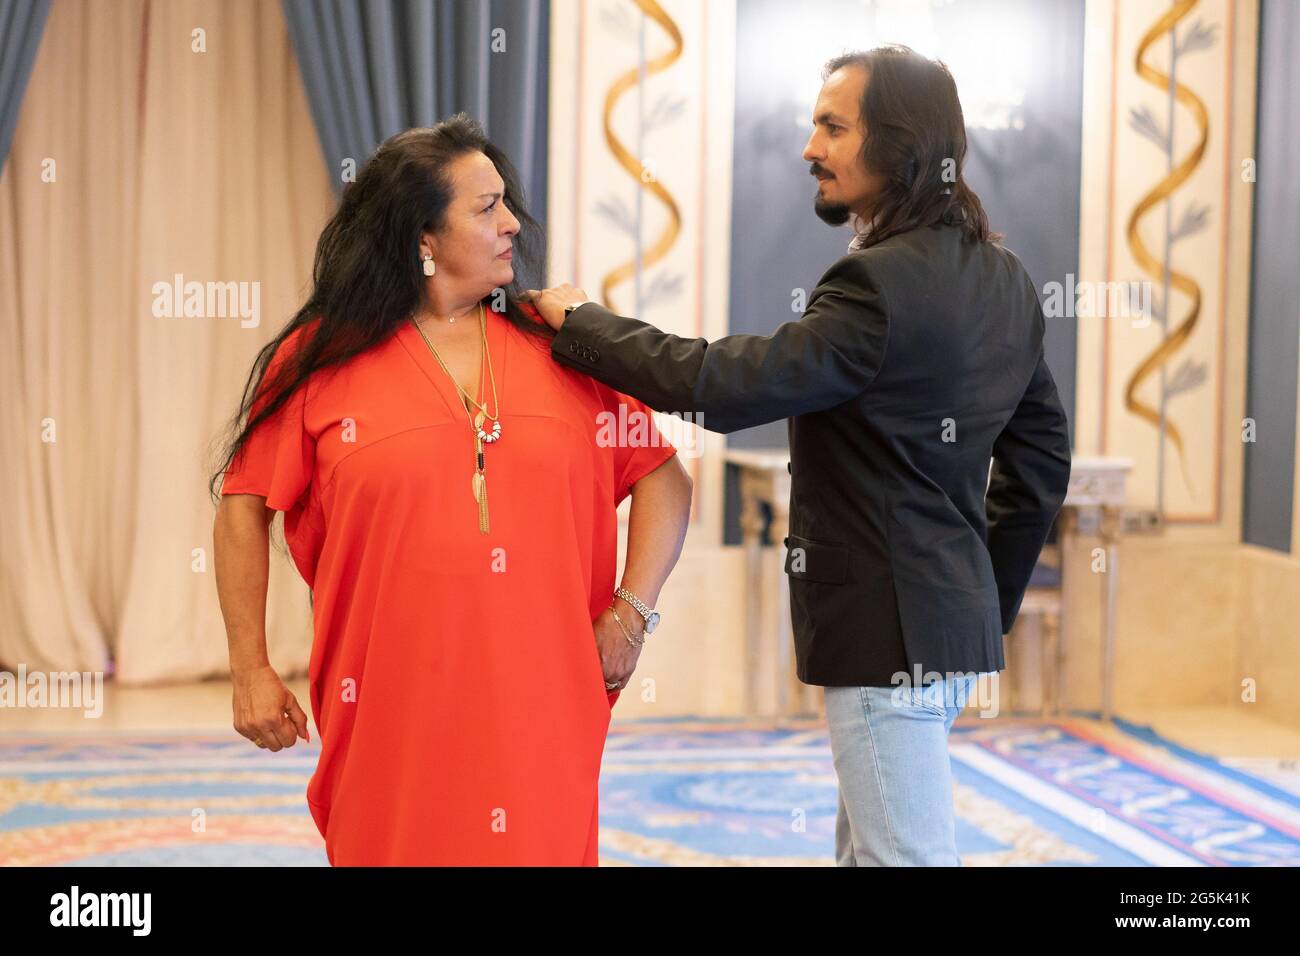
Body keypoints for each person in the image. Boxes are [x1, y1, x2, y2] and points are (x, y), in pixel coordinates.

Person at [526, 46, 1072, 866]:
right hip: (944, 636)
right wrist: (977, 608)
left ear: (899, 143)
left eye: (832, 127)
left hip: (889, 640)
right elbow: (1041, 467)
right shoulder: (1007, 278)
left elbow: (724, 385)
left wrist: (583, 325)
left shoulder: (874, 287)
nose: (810, 148)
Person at [210, 115, 692, 865]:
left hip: (543, 705)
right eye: (484, 208)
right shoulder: (322, 359)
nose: (511, 224)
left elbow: (663, 476)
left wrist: (629, 614)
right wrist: (250, 666)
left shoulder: (559, 342)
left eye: (505, 202)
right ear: (422, 239)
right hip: (386, 708)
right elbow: (242, 505)